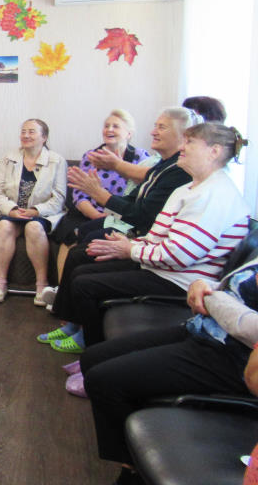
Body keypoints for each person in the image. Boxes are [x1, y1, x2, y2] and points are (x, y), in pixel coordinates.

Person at [82, 227, 256, 485]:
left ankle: (132, 481)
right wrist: (204, 286)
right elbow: (231, 288)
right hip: (203, 328)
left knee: (104, 380)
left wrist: (210, 296)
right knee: (92, 359)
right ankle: (133, 465)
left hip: (232, 358)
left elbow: (249, 327)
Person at [43, 123, 250, 354]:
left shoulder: (214, 195)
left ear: (214, 151)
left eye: (190, 142)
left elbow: (178, 255)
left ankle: (95, 353)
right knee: (82, 262)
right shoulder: (189, 186)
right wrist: (131, 244)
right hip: (162, 267)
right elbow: (158, 234)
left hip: (181, 281)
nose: (182, 147)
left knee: (84, 283)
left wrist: (129, 249)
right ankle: (82, 336)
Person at [39, 107, 198, 350]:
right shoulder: (163, 165)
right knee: (78, 249)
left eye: (162, 127)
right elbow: (134, 201)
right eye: (155, 126)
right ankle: (72, 324)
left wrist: (102, 196)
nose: (153, 131)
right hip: (134, 234)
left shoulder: (177, 171)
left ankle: (85, 339)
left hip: (149, 251)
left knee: (84, 260)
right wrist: (100, 199)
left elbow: (142, 214)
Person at [0, 119, 66, 306]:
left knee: (33, 228)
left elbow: (59, 199)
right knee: (4, 225)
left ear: (44, 137)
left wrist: (35, 211)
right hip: (13, 211)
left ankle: (41, 284)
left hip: (42, 214)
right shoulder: (8, 158)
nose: (25, 135)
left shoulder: (56, 161)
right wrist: (12, 210)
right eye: (23, 131)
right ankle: (0, 283)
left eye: (31, 132)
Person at [51, 110, 149, 245]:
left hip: (123, 217)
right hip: (89, 213)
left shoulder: (141, 157)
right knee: (70, 233)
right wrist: (95, 215)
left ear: (129, 133)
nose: (109, 129)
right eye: (106, 126)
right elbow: (79, 195)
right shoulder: (91, 156)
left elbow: (144, 191)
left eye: (115, 126)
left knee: (97, 234)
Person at [87, 96, 225, 187]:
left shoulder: (190, 166)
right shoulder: (164, 161)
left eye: (162, 127)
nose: (153, 133)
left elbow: (156, 176)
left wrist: (117, 165)